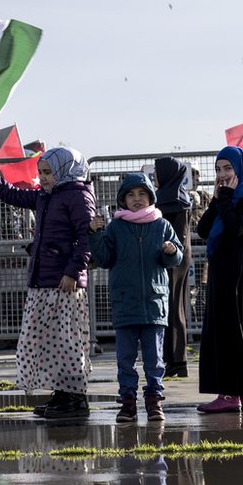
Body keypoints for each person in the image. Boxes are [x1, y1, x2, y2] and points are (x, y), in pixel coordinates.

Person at [0, 147, 96, 419]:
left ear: (64, 170)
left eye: (48, 173)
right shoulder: (47, 196)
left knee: (66, 341)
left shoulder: (78, 196)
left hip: (64, 284)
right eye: (41, 173)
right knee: (48, 342)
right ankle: (61, 394)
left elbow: (86, 238)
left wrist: (72, 271)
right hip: (44, 280)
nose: (44, 178)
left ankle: (75, 398)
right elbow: (11, 194)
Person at [89, 172, 183, 422]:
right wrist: (95, 234)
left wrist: (171, 251)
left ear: (150, 197)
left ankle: (154, 401)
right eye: (131, 194)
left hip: (154, 304)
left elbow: (176, 257)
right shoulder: (116, 227)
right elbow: (104, 258)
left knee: (155, 360)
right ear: (122, 200)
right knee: (125, 360)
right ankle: (128, 402)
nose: (137, 199)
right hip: (125, 304)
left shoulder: (162, 225)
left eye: (142, 193)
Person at [195, 146, 243, 413]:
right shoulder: (225, 199)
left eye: (228, 169)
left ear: (241, 170)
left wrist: (224, 199)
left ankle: (230, 394)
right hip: (222, 275)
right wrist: (217, 200)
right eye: (218, 169)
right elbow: (202, 230)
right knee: (231, 332)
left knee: (233, 333)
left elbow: (235, 227)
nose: (222, 175)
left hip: (237, 277)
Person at [153, 156, 193, 379]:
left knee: (172, 308)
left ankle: (177, 360)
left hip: (172, 259)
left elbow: (176, 235)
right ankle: (173, 359)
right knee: (171, 308)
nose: (155, 177)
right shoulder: (174, 196)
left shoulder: (173, 199)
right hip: (174, 257)